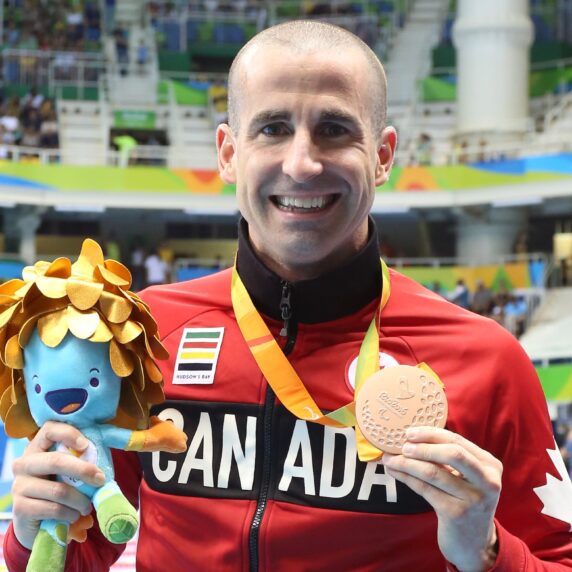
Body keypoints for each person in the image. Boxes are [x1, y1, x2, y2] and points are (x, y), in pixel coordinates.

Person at [4, 20, 572, 572]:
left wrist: (488, 554)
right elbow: (83, 554)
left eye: (335, 129)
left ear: (382, 155)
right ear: (228, 152)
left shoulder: (487, 361)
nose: (302, 163)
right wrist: (31, 535)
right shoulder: (145, 334)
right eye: (272, 128)